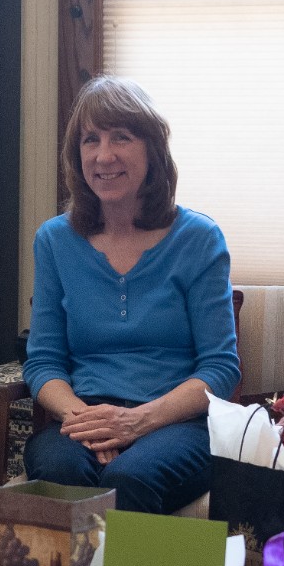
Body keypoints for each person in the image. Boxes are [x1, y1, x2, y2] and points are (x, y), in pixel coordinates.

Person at [20, 75, 239, 513]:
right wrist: (87, 421)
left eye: (121, 137)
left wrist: (136, 422)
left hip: (176, 423)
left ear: (152, 150)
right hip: (83, 415)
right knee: (59, 469)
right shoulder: (54, 241)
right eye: (91, 140)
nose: (104, 155)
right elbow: (43, 361)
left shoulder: (198, 238)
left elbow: (220, 368)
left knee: (129, 477)